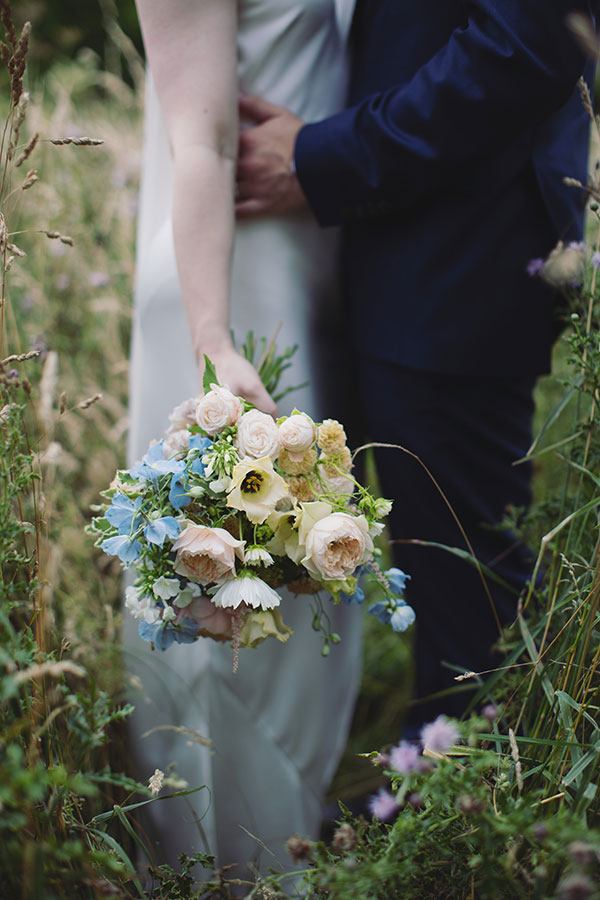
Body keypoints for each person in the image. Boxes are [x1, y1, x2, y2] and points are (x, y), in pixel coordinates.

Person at [234, 0, 597, 729]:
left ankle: (486, 815)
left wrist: (327, 156)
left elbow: (525, 41)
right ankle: (422, 778)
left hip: (461, 244)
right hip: (368, 241)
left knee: (466, 580)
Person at [125, 0, 362, 877]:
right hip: (233, 281)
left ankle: (282, 837)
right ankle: (221, 864)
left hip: (310, 275)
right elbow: (205, 142)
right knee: (224, 582)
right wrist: (216, 343)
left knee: (306, 577)